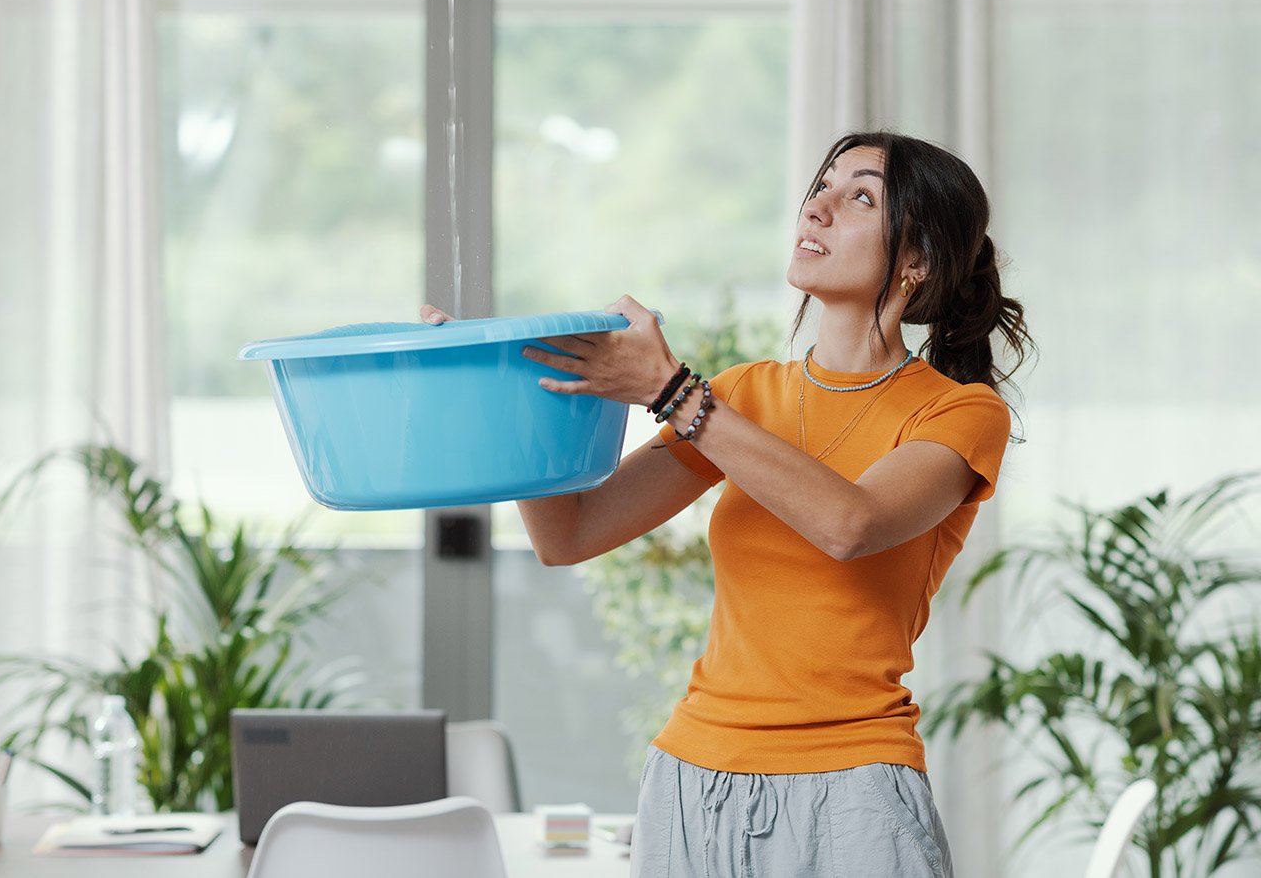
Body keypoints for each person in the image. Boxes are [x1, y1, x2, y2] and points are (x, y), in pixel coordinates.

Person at [422, 130, 1031, 877]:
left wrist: (672, 392)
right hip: (690, 779)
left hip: (852, 792)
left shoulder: (960, 415)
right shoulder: (744, 396)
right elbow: (570, 534)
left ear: (918, 261)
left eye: (861, 196)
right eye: (823, 186)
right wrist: (494, 390)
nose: (820, 205)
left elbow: (851, 523)